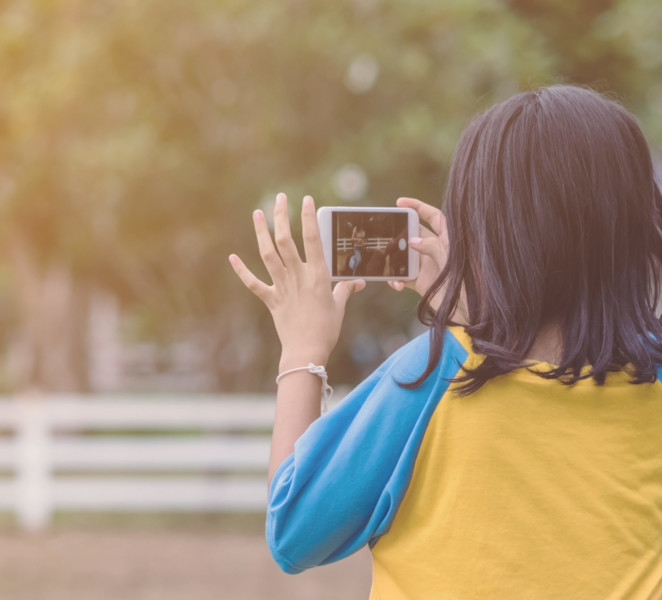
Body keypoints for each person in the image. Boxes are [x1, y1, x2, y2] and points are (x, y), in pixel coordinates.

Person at [227, 84, 662, 598]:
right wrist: (473, 315)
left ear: (485, 235)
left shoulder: (432, 374)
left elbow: (297, 533)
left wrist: (303, 352)